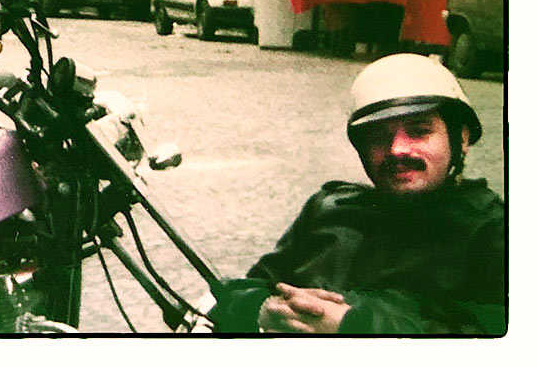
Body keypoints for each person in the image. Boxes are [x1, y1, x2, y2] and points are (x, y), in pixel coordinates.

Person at [209, 54, 505, 334]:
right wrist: (264, 309)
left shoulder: (491, 232)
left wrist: (352, 325)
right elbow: (244, 290)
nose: (397, 149)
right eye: (379, 137)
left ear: (461, 138)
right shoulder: (330, 207)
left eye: (418, 131)